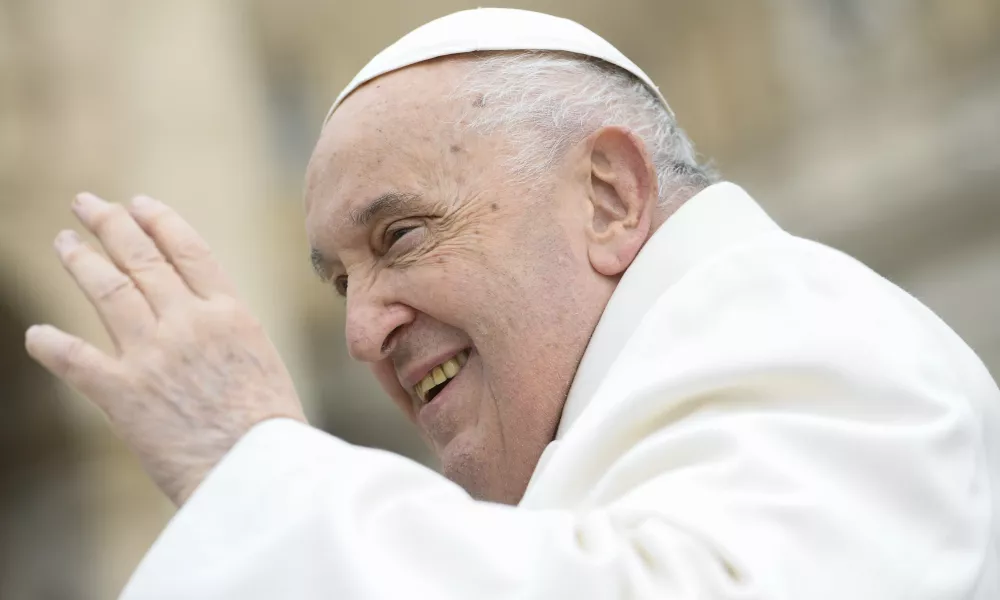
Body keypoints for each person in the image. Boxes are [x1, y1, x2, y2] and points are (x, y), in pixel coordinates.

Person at [24, 8, 999, 599]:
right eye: (338, 283)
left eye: (400, 237)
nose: (361, 331)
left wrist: (255, 468)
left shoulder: (803, 326)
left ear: (610, 198)